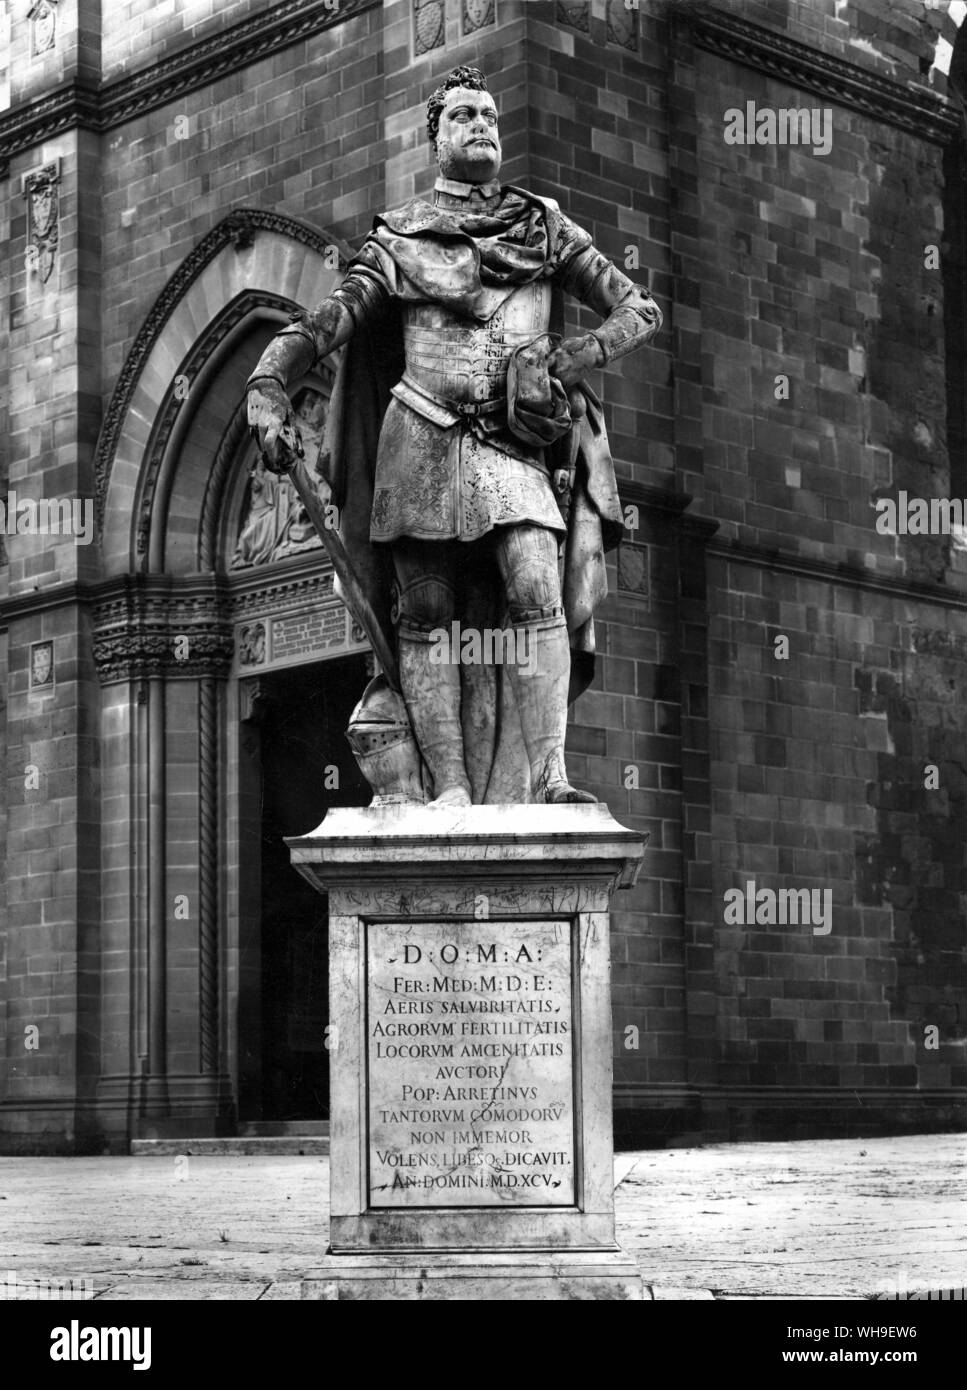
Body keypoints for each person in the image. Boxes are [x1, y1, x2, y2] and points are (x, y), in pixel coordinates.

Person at [247, 66, 662, 806]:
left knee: (536, 582)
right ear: (433, 137)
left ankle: (549, 778)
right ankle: (451, 791)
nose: (482, 127)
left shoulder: (545, 226)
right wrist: (266, 387)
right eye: (464, 116)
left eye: (491, 118)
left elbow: (638, 309)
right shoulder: (400, 236)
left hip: (511, 444)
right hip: (421, 433)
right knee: (426, 609)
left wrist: (573, 358)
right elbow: (324, 324)